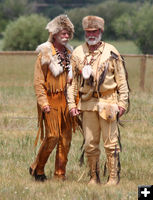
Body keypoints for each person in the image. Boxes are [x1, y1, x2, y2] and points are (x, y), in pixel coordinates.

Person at [67, 16, 130, 186]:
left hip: (109, 102)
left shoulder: (112, 52)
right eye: (88, 32)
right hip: (87, 104)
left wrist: (122, 103)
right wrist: (72, 104)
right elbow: (71, 83)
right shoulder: (78, 53)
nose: (91, 35)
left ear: (101, 31)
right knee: (90, 144)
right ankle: (93, 177)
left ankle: (113, 177)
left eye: (94, 31)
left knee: (111, 143)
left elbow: (122, 80)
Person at [29, 15, 75, 182]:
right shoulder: (45, 53)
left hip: (67, 102)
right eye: (63, 33)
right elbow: (38, 81)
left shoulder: (71, 53)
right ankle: (38, 167)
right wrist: (43, 103)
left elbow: (75, 79)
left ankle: (60, 174)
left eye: (68, 33)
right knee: (53, 136)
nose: (66, 36)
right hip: (51, 101)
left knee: (66, 139)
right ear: (54, 34)